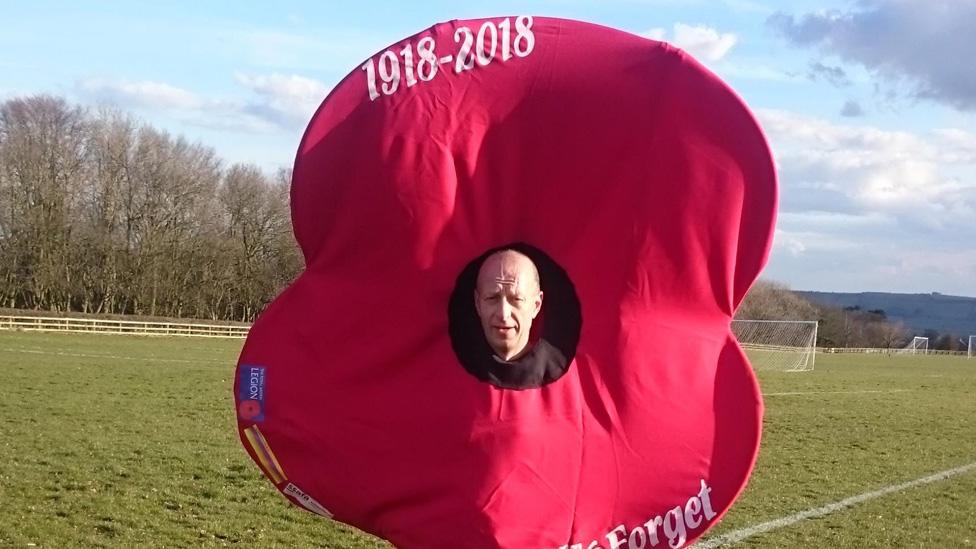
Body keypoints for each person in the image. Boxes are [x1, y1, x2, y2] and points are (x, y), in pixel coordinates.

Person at [474, 249, 544, 361]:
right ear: (478, 304)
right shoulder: (442, 374)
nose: (503, 314)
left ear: (536, 305)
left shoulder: (569, 378)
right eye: (492, 298)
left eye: (517, 299)